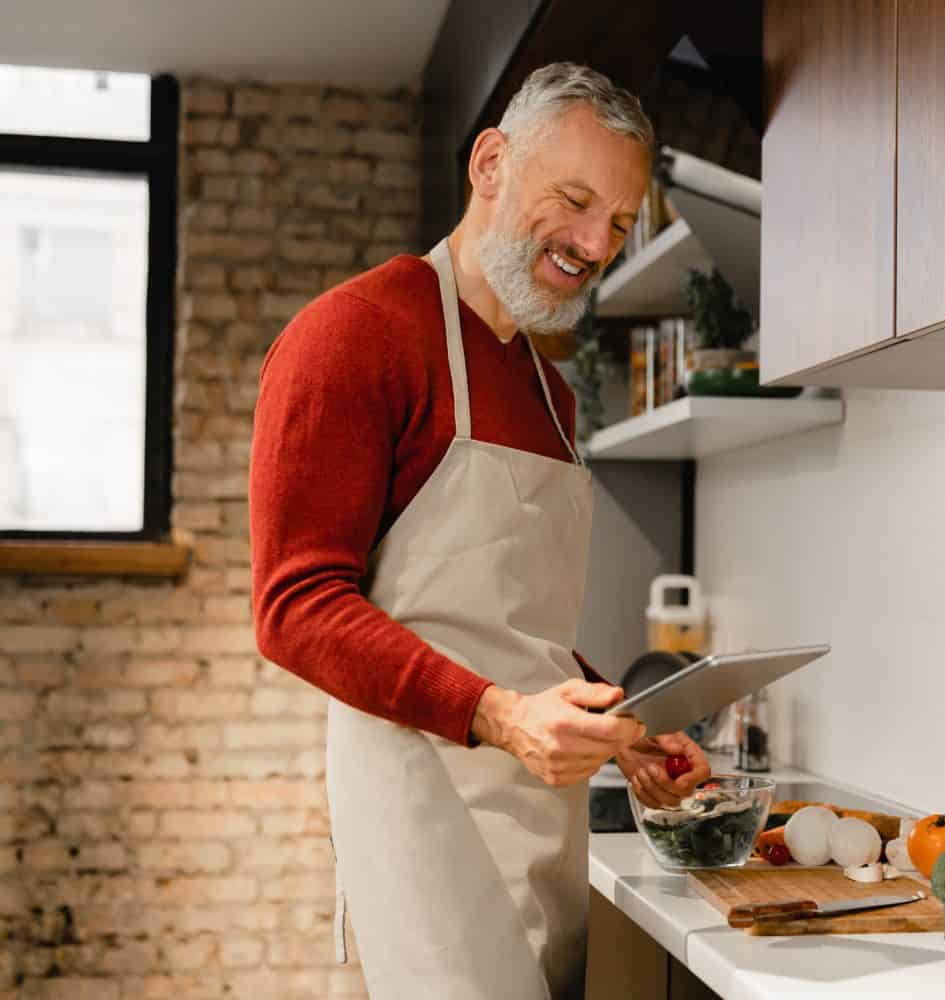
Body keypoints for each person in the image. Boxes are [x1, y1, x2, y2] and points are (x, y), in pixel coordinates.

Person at [249, 62, 710, 1000]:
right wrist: (503, 716)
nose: (594, 244)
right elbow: (293, 606)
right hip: (425, 810)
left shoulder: (547, 392)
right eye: (574, 201)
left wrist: (617, 728)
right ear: (491, 162)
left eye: (619, 224)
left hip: (540, 811)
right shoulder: (351, 336)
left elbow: (506, 618)